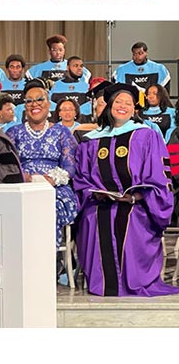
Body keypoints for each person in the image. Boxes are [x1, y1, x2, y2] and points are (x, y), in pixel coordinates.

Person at [73, 83, 179, 297]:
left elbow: (159, 175)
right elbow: (80, 178)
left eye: (128, 103)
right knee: (94, 218)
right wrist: (94, 193)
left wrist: (138, 196)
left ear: (134, 109)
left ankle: (134, 281)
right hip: (99, 205)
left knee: (130, 220)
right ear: (109, 106)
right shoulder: (90, 141)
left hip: (138, 204)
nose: (123, 106)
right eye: (118, 102)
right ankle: (104, 283)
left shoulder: (147, 135)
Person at [4, 80, 77, 243]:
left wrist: (49, 180)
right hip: (22, 185)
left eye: (39, 99)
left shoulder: (61, 132)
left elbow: (70, 166)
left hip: (55, 187)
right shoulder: (13, 132)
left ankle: (51, 259)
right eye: (29, 101)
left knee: (49, 205)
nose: (34, 104)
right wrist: (24, 177)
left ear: (49, 104)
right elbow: (6, 165)